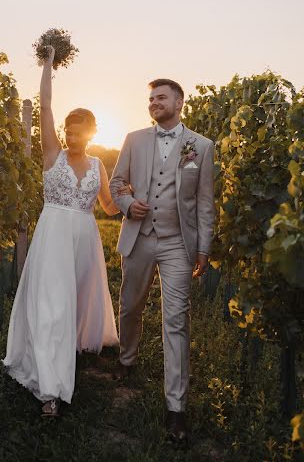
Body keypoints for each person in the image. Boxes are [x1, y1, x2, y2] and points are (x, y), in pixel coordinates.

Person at [3, 46, 121, 417]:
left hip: (85, 239)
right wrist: (47, 65)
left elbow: (109, 207)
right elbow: (46, 104)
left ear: (91, 134)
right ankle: (49, 389)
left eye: (79, 135)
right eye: (69, 133)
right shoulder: (51, 153)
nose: (72, 139)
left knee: (76, 301)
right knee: (52, 306)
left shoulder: (99, 165)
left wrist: (131, 192)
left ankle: (67, 351)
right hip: (53, 234)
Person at [109, 78, 215, 444]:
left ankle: (176, 408)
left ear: (180, 102)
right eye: (150, 98)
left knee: (176, 320)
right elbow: (117, 183)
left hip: (177, 244)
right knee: (130, 304)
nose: (154, 102)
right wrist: (126, 204)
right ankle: (127, 358)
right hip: (140, 237)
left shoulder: (201, 146)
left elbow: (204, 202)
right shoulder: (134, 139)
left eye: (161, 97)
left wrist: (204, 246)